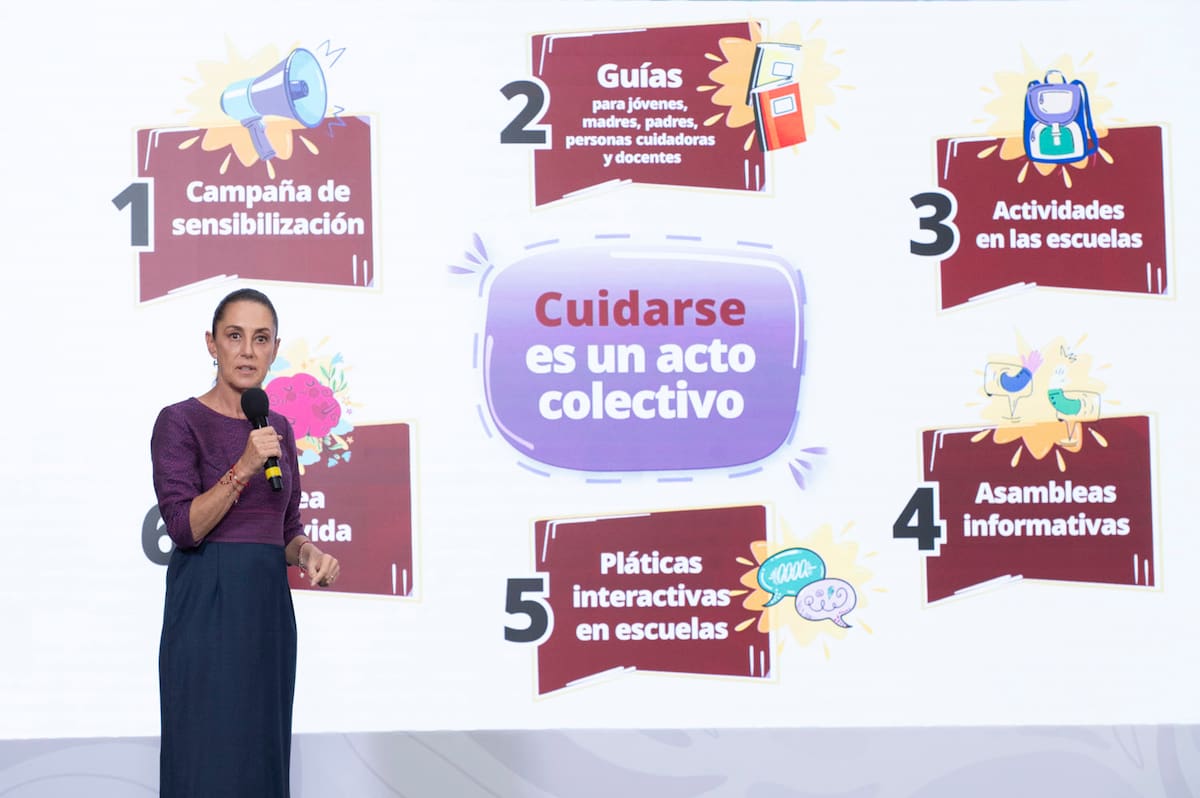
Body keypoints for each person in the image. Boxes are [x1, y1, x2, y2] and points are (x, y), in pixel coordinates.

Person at [151, 288, 340, 798]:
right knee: (205, 755)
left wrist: (308, 554)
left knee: (262, 755)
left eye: (261, 339)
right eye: (235, 337)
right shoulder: (179, 421)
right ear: (211, 344)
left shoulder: (277, 427)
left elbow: (284, 530)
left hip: (266, 611)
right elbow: (184, 527)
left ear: (275, 349)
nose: (248, 351)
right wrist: (243, 468)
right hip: (206, 607)